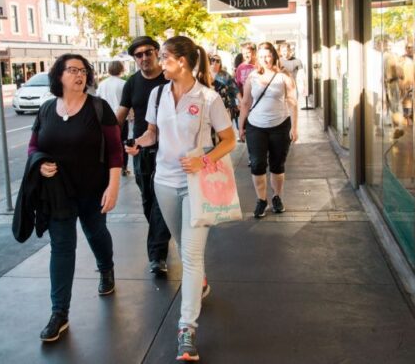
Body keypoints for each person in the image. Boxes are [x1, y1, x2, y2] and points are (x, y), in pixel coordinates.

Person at [126, 36, 235, 362]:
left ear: (182, 62)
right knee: (182, 245)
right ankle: (199, 280)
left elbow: (229, 140)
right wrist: (137, 142)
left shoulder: (208, 98)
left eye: (163, 57)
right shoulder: (157, 94)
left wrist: (204, 160)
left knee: (189, 255)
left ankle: (186, 330)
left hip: (197, 184)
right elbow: (152, 133)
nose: (159, 62)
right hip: (163, 182)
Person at [26, 53, 122, 343]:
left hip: (93, 189)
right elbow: (33, 147)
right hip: (58, 195)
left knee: (96, 233)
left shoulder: (98, 107)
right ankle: (59, 313)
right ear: (59, 76)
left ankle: (106, 268)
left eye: (83, 71)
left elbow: (116, 149)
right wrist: (40, 163)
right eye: (72, 70)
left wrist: (114, 185)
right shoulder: (45, 110)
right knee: (62, 248)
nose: (79, 75)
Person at [116, 36, 172, 276]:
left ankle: (157, 255)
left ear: (157, 52)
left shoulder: (169, 78)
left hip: (169, 149)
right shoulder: (132, 83)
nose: (144, 58)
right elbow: (120, 116)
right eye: (138, 55)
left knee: (162, 200)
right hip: (141, 150)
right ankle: (160, 236)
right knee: (149, 200)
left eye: (148, 52)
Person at [238, 42, 298, 218]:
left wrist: (294, 127)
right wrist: (241, 126)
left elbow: (293, 102)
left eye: (268, 55)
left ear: (274, 55)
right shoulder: (252, 77)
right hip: (256, 127)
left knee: (277, 165)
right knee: (257, 164)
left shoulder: (284, 76)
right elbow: (246, 103)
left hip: (280, 126)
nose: (265, 59)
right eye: (262, 56)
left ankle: (277, 198)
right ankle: (261, 200)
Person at [98, 61, 130, 174]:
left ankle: (108, 166)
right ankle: (123, 167)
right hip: (121, 118)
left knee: (107, 143)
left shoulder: (102, 84)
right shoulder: (124, 84)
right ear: (121, 69)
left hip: (105, 119)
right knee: (122, 143)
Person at [210, 54, 239, 129]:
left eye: (218, 61)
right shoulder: (204, 74)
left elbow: (235, 89)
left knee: (225, 128)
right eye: (213, 60)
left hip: (225, 106)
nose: (215, 62)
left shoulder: (225, 75)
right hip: (209, 107)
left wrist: (241, 101)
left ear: (220, 64)